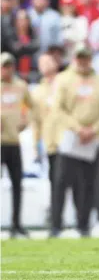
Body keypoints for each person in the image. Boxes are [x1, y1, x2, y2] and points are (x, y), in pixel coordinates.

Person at [51, 44, 99, 238]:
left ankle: (84, 224)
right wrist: (78, 129)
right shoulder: (63, 79)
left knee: (88, 184)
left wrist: (93, 129)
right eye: (80, 57)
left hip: (92, 139)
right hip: (69, 137)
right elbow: (58, 108)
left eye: (86, 57)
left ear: (90, 59)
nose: (83, 61)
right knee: (61, 183)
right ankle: (56, 225)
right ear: (74, 58)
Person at [0, 52, 34, 238]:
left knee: (17, 185)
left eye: (10, 65)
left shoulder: (20, 86)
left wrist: (25, 120)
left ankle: (16, 223)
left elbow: (32, 106)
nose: (7, 69)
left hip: (13, 142)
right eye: (4, 66)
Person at [30, 53, 60, 221]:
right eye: (42, 63)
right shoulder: (38, 91)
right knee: (53, 180)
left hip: (69, 139)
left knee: (78, 180)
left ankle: (83, 218)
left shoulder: (65, 83)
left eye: (48, 60)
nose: (46, 65)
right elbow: (36, 121)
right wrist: (36, 144)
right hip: (49, 142)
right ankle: (55, 217)